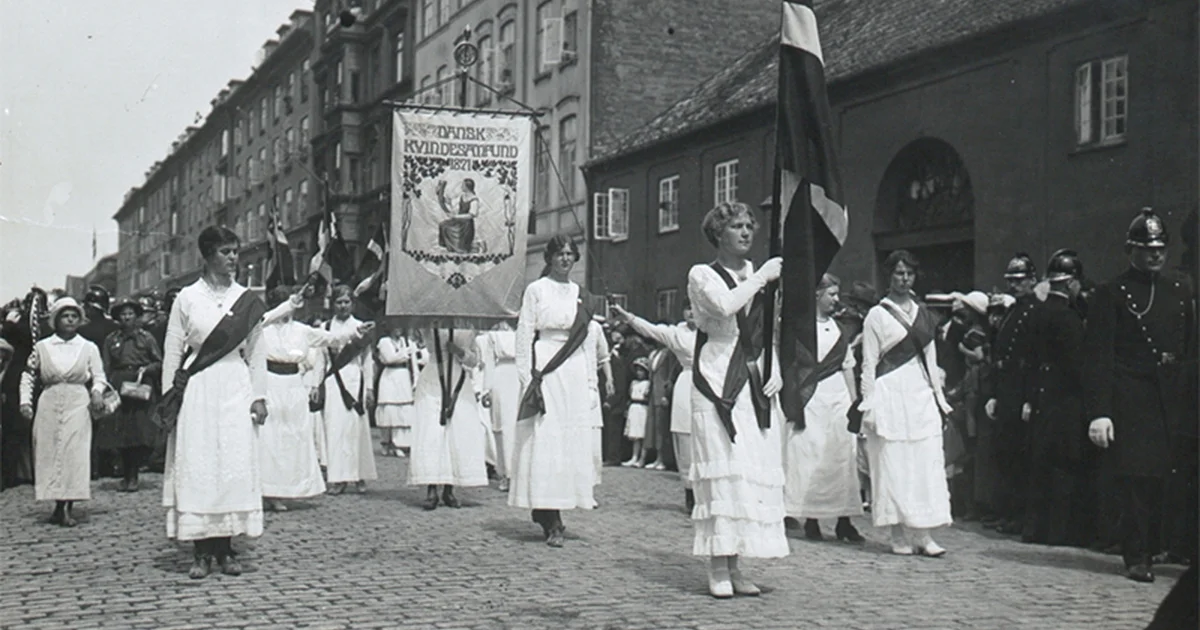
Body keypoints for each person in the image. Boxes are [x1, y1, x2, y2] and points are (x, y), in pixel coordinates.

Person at [1083, 208, 1197, 583]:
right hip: (1131, 397)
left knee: (1168, 477)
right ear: (1130, 249)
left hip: (1172, 395)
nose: (1156, 255)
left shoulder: (1180, 289)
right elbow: (1099, 358)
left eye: (1161, 248)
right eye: (1147, 248)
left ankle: (1163, 546)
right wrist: (1100, 412)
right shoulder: (1111, 293)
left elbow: (1188, 344)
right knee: (1136, 479)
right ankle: (1137, 554)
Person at [687, 201, 788, 598]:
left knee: (746, 472)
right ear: (718, 234)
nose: (746, 232)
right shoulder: (702, 275)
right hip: (716, 374)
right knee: (722, 471)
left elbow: (765, 329)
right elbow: (725, 306)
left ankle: (737, 564)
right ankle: (717, 565)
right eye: (736, 227)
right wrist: (763, 277)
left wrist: (774, 365)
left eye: (749, 226)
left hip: (752, 373)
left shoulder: (755, 274)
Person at [161, 226, 269, 579]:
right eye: (225, 251)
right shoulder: (187, 298)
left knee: (232, 464)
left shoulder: (246, 299)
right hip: (199, 387)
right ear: (207, 256)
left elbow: (256, 351)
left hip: (235, 385)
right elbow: (173, 350)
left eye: (235, 250)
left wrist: (259, 396)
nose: (233, 257)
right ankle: (200, 552)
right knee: (200, 463)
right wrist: (169, 399)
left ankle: (226, 549)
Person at [859, 250, 954, 557]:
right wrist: (868, 404)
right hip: (889, 393)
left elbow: (930, 359)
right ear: (889, 276)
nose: (904, 279)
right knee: (893, 463)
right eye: (898, 273)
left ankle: (924, 535)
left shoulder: (924, 314)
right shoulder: (876, 315)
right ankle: (897, 533)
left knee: (924, 463)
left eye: (909, 274)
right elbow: (869, 363)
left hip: (918, 393)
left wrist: (939, 399)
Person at [510, 235, 597, 547]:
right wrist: (527, 378)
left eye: (570, 254)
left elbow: (587, 341)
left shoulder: (580, 294)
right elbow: (524, 335)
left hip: (573, 367)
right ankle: (549, 516)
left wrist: (590, 383)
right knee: (546, 438)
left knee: (568, 441)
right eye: (560, 254)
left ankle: (555, 508)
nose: (565, 260)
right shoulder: (536, 290)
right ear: (549, 258)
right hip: (546, 364)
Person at [259, 286, 372, 512]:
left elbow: (331, 338)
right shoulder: (263, 328)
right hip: (270, 383)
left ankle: (289, 489)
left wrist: (356, 331)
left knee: (293, 437)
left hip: (293, 385)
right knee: (270, 438)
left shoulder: (302, 330)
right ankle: (267, 491)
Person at [782, 273, 865, 543]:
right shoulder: (801, 328)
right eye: (832, 294)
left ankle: (844, 520)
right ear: (817, 295)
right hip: (810, 399)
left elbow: (848, 365)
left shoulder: (839, 328)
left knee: (841, 457)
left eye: (837, 294)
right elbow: (790, 367)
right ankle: (812, 518)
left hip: (837, 398)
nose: (836, 300)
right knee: (810, 455)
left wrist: (854, 404)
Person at [1020, 250, 1094, 547]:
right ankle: (1058, 532)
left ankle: (1033, 528)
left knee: (1040, 466)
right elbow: (1077, 365)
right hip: (1066, 400)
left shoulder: (1036, 313)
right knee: (1065, 466)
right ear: (1072, 282)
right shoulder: (1068, 317)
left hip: (1041, 397)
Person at [18, 297, 110, 526]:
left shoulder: (88, 347)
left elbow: (99, 376)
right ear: (55, 320)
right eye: (64, 316)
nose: (69, 320)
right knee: (49, 452)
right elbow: (28, 376)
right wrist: (25, 402)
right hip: (49, 401)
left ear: (80, 320)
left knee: (73, 453)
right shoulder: (42, 347)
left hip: (78, 402)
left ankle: (68, 506)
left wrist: (97, 392)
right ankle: (57, 505)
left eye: (74, 316)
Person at [611, 301, 697, 511]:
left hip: (713, 384)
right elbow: (650, 329)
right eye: (688, 308)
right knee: (684, 439)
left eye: (697, 307)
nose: (692, 313)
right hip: (687, 384)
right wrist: (626, 316)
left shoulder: (714, 327)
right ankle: (690, 492)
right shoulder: (678, 333)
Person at [984, 253, 1039, 535]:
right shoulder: (1012, 311)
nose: (1015, 286)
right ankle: (1007, 512)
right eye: (1012, 281)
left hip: (1021, 390)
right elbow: (999, 354)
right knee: (1005, 455)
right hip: (1007, 389)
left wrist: (1030, 398)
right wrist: (994, 393)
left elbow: (1033, 358)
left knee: (1019, 457)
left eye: (1020, 281)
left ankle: (1018, 515)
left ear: (1033, 280)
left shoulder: (1033, 312)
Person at [410, 328, 489, 510]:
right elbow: (422, 339)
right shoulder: (430, 322)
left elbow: (474, 360)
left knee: (456, 432)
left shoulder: (467, 327)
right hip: (433, 376)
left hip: (457, 378)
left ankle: (449, 488)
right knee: (432, 432)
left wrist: (460, 352)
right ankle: (431, 487)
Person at [313, 285, 378, 495]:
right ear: (333, 304)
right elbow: (319, 360)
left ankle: (359, 475)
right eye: (339, 302)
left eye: (346, 302)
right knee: (335, 427)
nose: (342, 306)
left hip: (354, 379)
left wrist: (369, 387)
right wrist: (316, 384)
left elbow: (367, 360)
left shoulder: (362, 327)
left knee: (356, 428)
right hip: (333, 381)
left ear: (352, 303)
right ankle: (338, 477)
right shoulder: (325, 327)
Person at [98, 297, 162, 492]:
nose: (126, 318)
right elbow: (105, 366)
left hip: (140, 384)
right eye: (123, 314)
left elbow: (159, 362)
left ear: (137, 316)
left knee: (139, 431)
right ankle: (126, 474)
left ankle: (133, 475)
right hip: (119, 383)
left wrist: (146, 369)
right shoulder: (112, 339)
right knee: (121, 432)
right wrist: (106, 388)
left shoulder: (146, 338)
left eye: (130, 314)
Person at [477, 324, 519, 491]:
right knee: (502, 427)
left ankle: (519, 473)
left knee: (519, 426)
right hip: (501, 377)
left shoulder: (522, 329)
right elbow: (489, 362)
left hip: (519, 375)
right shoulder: (493, 334)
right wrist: (487, 389)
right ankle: (505, 473)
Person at [376, 326, 420, 457]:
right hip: (389, 376)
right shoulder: (384, 342)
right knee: (389, 408)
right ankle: (386, 442)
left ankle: (400, 444)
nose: (398, 329)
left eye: (400, 327)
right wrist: (405, 353)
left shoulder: (407, 342)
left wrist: (416, 379)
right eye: (394, 326)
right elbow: (389, 358)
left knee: (403, 410)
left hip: (403, 376)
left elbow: (414, 363)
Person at [436, 178, 480, 254]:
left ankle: (463, 246)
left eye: (463, 185)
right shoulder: (462, 196)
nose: (461, 186)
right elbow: (450, 202)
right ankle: (450, 246)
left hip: (466, 225)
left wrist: (455, 217)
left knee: (461, 248)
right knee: (443, 225)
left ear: (467, 187)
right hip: (458, 221)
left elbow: (472, 215)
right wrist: (440, 194)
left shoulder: (474, 200)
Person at [622, 357, 651, 467]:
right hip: (634, 407)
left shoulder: (647, 383)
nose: (639, 373)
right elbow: (630, 395)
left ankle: (642, 458)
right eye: (638, 370)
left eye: (642, 370)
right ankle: (634, 457)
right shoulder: (633, 383)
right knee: (634, 435)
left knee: (642, 433)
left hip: (642, 408)